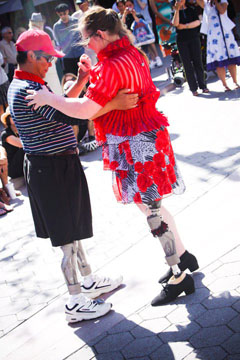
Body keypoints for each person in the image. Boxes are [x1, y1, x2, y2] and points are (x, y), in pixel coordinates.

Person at [26, 7, 199, 306]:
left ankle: (178, 276)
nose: (86, 46)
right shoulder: (132, 54)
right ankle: (183, 257)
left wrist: (48, 98)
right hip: (147, 135)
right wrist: (98, 84)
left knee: (151, 211)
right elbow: (116, 98)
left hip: (134, 142)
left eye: (87, 39)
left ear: (101, 35)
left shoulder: (110, 65)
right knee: (153, 206)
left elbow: (84, 111)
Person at [8, 29, 138, 323]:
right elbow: (72, 115)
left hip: (58, 165)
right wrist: (114, 104)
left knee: (74, 231)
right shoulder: (28, 90)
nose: (50, 64)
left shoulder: (32, 83)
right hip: (49, 168)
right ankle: (75, 301)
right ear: (31, 56)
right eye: (46, 59)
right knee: (67, 238)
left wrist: (80, 82)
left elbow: (63, 105)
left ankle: (89, 282)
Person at [197, 0, 240, 91]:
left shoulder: (223, 1)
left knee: (230, 59)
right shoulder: (206, 3)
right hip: (214, 36)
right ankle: (224, 84)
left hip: (225, 34)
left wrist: (216, 2)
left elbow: (222, 11)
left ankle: (235, 81)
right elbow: (199, 2)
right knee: (218, 61)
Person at [172, 0, 209, 95]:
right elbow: (175, 24)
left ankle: (203, 86)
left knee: (198, 62)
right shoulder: (175, 12)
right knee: (187, 65)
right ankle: (193, 88)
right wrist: (177, 10)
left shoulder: (191, 9)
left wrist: (185, 26)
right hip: (182, 40)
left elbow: (197, 22)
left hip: (194, 38)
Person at [53, 3, 85, 76]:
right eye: (60, 15)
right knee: (73, 78)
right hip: (68, 57)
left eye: (64, 13)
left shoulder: (76, 21)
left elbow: (82, 35)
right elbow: (57, 42)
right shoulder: (56, 26)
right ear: (58, 14)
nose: (63, 16)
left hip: (80, 53)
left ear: (67, 11)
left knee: (86, 76)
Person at [133, 0, 163, 68]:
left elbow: (142, 6)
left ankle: (157, 57)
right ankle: (153, 59)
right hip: (138, 23)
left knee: (150, 41)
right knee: (146, 42)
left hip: (147, 21)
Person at [1, 107, 24, 179]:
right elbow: (22, 144)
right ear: (8, 119)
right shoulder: (6, 134)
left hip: (22, 163)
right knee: (25, 148)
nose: (16, 118)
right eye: (13, 116)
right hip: (12, 168)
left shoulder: (21, 130)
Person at [0, 50, 9, 119]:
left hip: (3, 80)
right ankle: (6, 127)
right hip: (3, 81)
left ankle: (10, 126)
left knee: (7, 104)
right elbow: (2, 61)